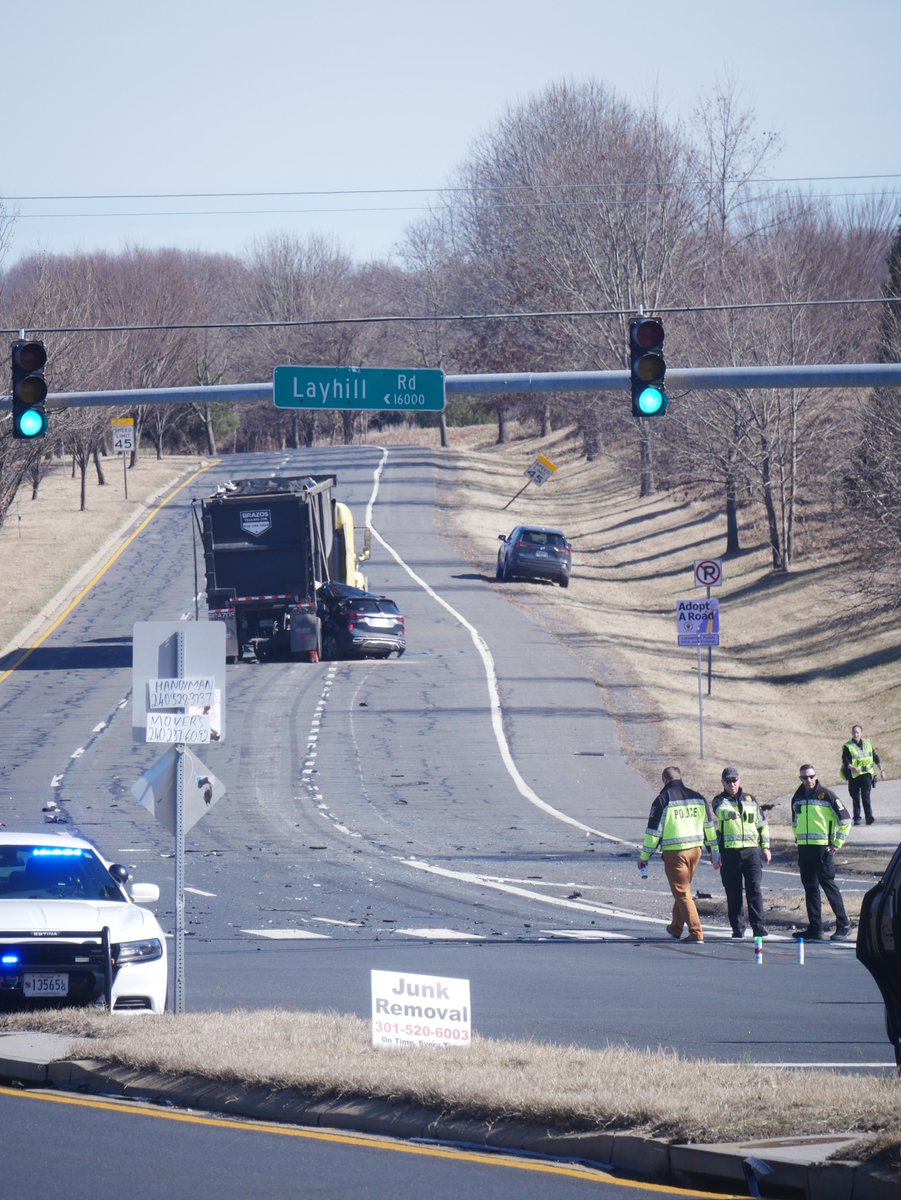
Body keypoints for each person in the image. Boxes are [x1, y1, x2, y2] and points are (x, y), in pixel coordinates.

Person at [638, 766, 719, 943]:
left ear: (664, 781)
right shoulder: (698, 798)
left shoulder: (662, 799)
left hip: (676, 853)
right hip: (696, 851)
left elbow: (653, 833)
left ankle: (696, 932)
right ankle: (675, 927)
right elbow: (709, 827)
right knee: (684, 888)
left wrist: (645, 857)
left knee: (682, 892)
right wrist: (714, 850)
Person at [791, 763, 853, 941]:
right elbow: (795, 822)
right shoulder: (797, 797)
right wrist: (798, 840)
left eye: (811, 776)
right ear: (800, 778)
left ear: (816, 776)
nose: (808, 780)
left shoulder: (827, 795)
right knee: (810, 888)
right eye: (804, 777)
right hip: (804, 849)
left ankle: (844, 925)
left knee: (828, 886)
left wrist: (836, 843)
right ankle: (815, 928)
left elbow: (846, 820)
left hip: (822, 849)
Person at [712, 767, 772, 939]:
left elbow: (762, 825)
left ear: (739, 780)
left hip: (751, 851)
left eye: (735, 780)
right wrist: (730, 813)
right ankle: (738, 928)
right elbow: (720, 811)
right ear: (723, 782)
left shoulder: (750, 800)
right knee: (733, 891)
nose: (732, 784)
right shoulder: (719, 800)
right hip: (730, 852)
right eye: (728, 781)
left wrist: (766, 847)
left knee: (754, 889)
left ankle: (759, 926)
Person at [841, 724, 886, 826]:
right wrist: (852, 767)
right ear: (851, 733)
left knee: (866, 796)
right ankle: (857, 818)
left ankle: (869, 817)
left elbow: (875, 757)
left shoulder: (867, 743)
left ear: (861, 733)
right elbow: (845, 760)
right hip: (854, 775)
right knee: (855, 797)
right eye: (854, 732)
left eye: (857, 732)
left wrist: (881, 770)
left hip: (866, 775)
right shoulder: (848, 746)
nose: (855, 734)